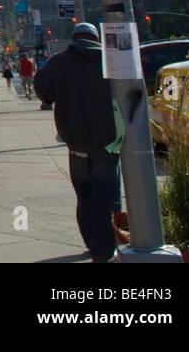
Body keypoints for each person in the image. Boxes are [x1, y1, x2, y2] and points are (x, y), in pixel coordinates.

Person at [35, 23, 125, 263]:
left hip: (75, 144)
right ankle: (104, 250)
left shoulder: (58, 62)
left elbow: (43, 93)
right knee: (107, 197)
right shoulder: (111, 60)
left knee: (84, 196)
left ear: (73, 39)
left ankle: (92, 241)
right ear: (96, 38)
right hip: (108, 142)